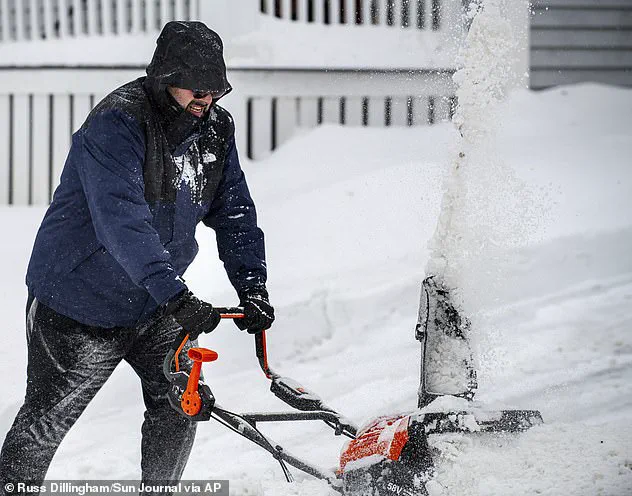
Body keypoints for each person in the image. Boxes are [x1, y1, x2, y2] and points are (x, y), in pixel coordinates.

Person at [0, 21, 274, 489]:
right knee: (45, 422)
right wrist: (175, 293)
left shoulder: (214, 129)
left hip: (154, 301)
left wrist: (252, 284)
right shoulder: (117, 123)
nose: (206, 100)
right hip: (78, 300)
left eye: (215, 90)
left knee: (181, 401)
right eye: (197, 88)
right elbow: (121, 222)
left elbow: (234, 211)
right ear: (166, 78)